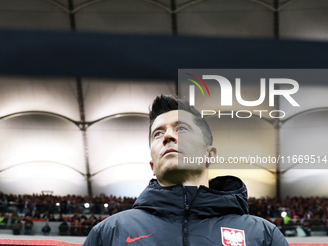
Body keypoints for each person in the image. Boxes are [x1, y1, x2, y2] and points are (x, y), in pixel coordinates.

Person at [83, 95, 289, 246]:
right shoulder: (110, 232)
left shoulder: (263, 235)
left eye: (181, 128)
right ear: (152, 166)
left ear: (209, 155)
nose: (168, 137)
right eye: (158, 133)